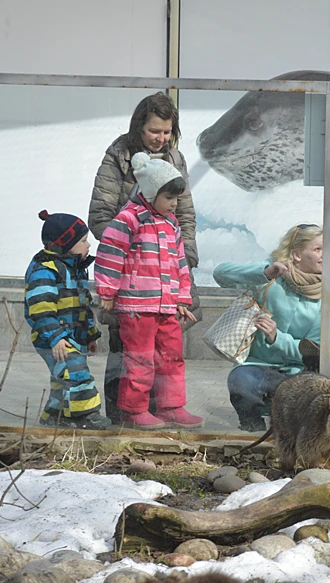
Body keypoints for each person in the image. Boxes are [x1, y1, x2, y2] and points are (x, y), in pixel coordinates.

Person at [88, 92, 201, 422]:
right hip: (133, 281)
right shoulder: (119, 157)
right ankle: (123, 416)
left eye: (166, 132)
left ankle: (165, 410)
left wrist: (183, 257)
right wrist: (138, 248)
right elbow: (100, 216)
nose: (160, 138)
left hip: (166, 272)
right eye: (154, 131)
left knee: (167, 350)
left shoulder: (175, 160)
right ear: (139, 127)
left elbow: (187, 215)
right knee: (128, 351)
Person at [213, 224, 323, 432]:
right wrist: (263, 272)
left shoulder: (326, 292)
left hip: (298, 370)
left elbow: (312, 351)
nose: (324, 255)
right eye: (318, 249)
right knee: (241, 381)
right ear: (297, 255)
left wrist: (276, 338)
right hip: (255, 365)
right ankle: (251, 428)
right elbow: (220, 274)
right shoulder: (271, 273)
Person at [24, 210, 111, 430]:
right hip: (52, 338)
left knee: (63, 377)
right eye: (83, 241)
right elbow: (41, 310)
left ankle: (54, 415)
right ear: (64, 243)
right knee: (77, 373)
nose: (89, 245)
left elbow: (84, 305)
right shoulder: (45, 270)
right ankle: (85, 416)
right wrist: (55, 338)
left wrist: (90, 334)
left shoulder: (75, 268)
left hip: (73, 336)